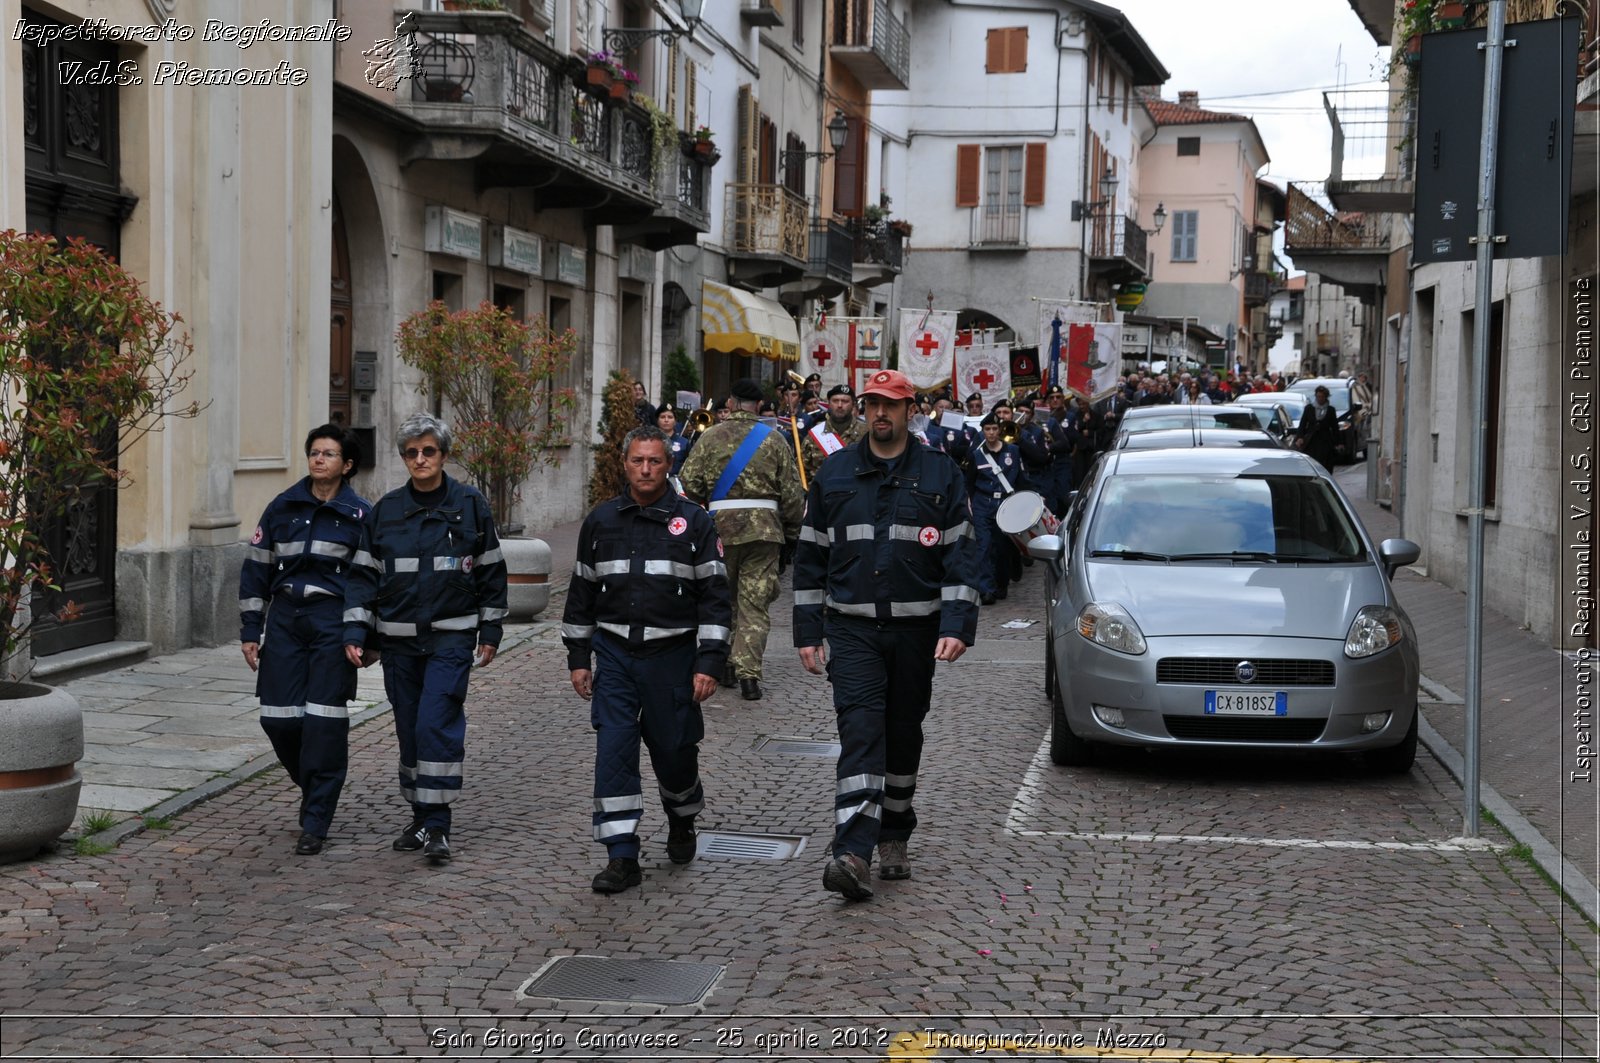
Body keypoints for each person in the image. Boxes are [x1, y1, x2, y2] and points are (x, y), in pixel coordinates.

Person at [793, 368, 979, 900]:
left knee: (902, 734)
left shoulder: (942, 475)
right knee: (861, 732)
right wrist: (808, 631)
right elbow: (809, 560)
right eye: (872, 403)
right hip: (851, 631)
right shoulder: (835, 474)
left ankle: (895, 831)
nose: (880, 413)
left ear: (909, 410)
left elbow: (962, 559)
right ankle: (851, 852)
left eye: (890, 405)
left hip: (916, 632)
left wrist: (957, 625)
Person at [562, 426, 732, 894]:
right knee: (613, 752)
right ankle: (621, 855)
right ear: (624, 463)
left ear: (668, 464)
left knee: (674, 753)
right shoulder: (601, 521)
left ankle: (682, 817)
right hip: (615, 656)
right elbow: (581, 594)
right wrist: (579, 655)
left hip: (672, 658)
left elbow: (716, 599)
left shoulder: (694, 522)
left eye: (655, 461)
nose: (646, 469)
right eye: (638, 461)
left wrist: (710, 661)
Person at [343, 413, 508, 864]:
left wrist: (490, 630)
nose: (420, 459)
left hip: (450, 640)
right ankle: (420, 817)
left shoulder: (471, 504)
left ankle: (438, 827)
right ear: (403, 458)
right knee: (410, 732)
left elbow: (492, 570)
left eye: (428, 451)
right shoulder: (385, 511)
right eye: (412, 452)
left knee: (435, 723)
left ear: (443, 455)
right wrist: (357, 631)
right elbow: (362, 577)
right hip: (398, 644)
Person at [240, 425, 372, 856]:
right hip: (285, 621)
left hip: (332, 622)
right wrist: (249, 631)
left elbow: (369, 583)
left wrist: (362, 635)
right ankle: (316, 788)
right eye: (314, 452)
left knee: (324, 724)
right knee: (277, 718)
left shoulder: (361, 517)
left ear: (346, 465)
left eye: (329, 454)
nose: (319, 460)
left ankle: (316, 819)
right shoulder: (282, 507)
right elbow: (257, 568)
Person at [679, 377, 804, 701]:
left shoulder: (710, 437)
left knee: (723, 600)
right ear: (759, 406)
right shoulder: (775, 439)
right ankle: (749, 675)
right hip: (764, 531)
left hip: (719, 530)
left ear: (731, 404)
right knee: (754, 604)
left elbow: (688, 484)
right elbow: (792, 494)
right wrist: (790, 534)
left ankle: (725, 666)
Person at [967, 414, 1022, 605]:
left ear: (999, 430)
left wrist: (1035, 494)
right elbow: (970, 482)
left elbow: (1020, 477)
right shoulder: (976, 454)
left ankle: (1001, 583)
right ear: (983, 432)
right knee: (984, 546)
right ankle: (986, 589)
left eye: (994, 429)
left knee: (1002, 547)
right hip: (983, 503)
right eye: (987, 429)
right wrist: (970, 505)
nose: (991, 433)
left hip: (1005, 505)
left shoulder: (1013, 451)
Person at [799, 384, 866, 481]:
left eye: (845, 401)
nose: (839, 405)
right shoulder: (814, 435)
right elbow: (801, 470)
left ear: (853, 404)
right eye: (835, 401)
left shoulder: (866, 433)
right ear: (829, 404)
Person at [1294, 385, 1341, 471]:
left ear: (1326, 397)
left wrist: (1338, 442)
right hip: (1311, 441)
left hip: (1325, 442)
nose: (1320, 399)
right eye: (1318, 396)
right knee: (1312, 462)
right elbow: (1302, 424)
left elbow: (1335, 427)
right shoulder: (1309, 408)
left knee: (1325, 463)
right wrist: (1300, 437)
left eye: (1322, 397)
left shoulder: (1330, 410)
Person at [657, 404, 693, 476]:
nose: (666, 420)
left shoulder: (684, 443)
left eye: (670, 417)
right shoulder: (651, 441)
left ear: (675, 421)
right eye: (662, 417)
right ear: (657, 421)